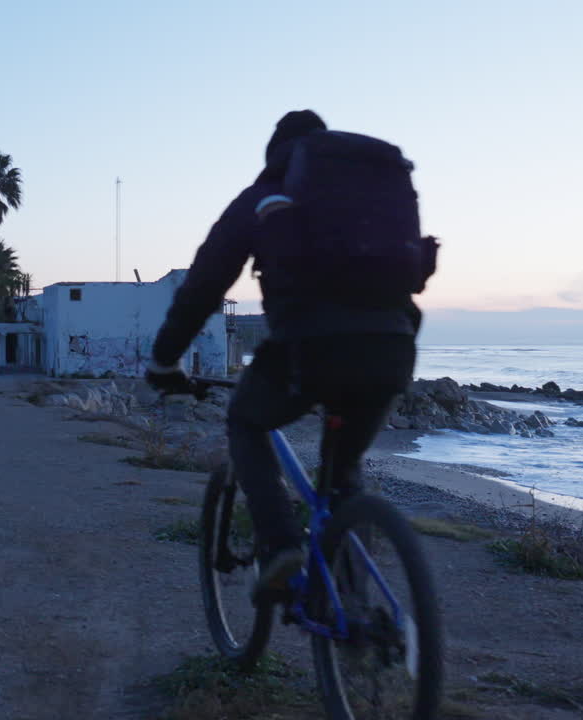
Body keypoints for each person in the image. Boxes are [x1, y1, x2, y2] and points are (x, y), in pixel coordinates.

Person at [145, 109, 427, 599]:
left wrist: (164, 360)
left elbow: (204, 287)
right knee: (343, 475)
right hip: (393, 345)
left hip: (310, 347)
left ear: (276, 152)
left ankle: (279, 547)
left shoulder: (265, 196)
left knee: (247, 422)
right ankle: (350, 604)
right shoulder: (372, 193)